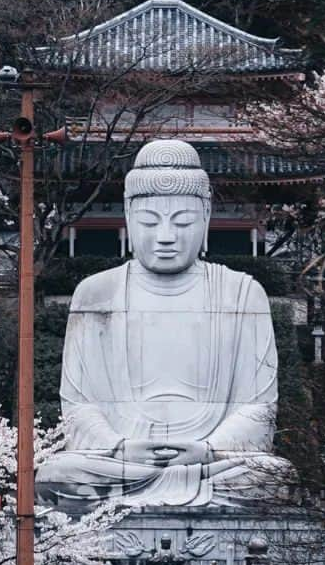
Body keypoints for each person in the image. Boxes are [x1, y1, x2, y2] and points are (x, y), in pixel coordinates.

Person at [35, 140, 297, 509]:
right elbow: (78, 405)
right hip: (121, 462)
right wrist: (120, 448)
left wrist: (207, 450)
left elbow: (259, 407)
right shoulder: (95, 293)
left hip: (213, 463)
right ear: (128, 216)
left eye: (183, 222)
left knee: (273, 477)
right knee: (57, 476)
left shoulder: (242, 293)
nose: (165, 237)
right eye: (149, 222)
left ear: (205, 217)